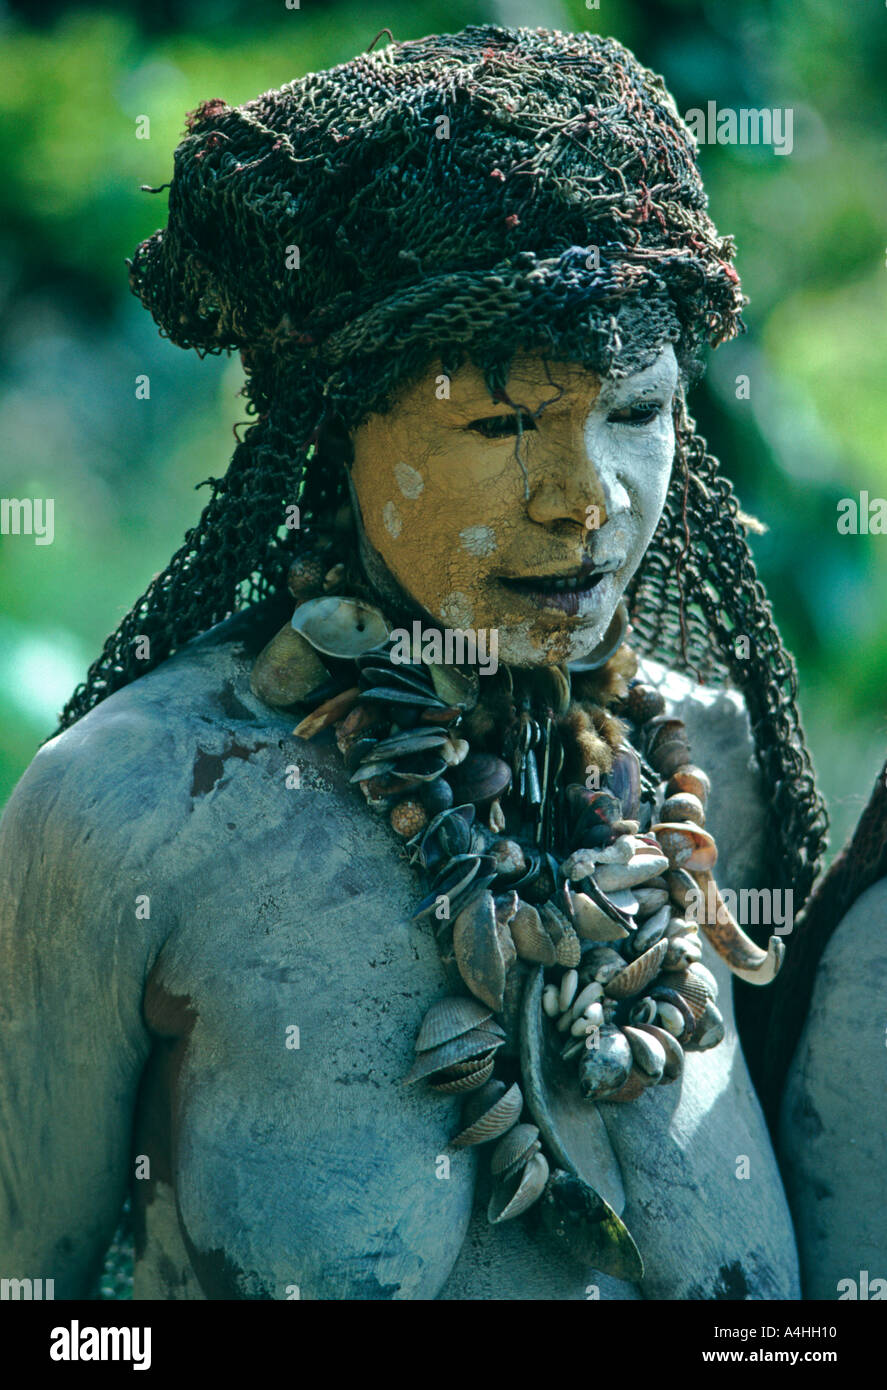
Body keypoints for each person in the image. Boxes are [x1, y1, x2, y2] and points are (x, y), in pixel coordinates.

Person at [1, 25, 867, 1301]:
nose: (587, 499)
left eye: (635, 414)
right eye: (501, 421)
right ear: (334, 426)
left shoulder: (719, 781)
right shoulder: (126, 814)